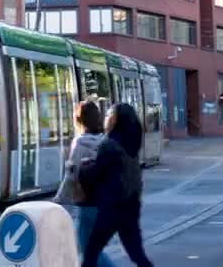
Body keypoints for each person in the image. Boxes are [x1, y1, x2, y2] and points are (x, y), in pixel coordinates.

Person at [79, 103, 153, 267]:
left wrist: (82, 169)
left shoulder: (109, 144)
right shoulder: (132, 142)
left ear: (116, 120)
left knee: (91, 252)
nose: (105, 119)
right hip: (131, 206)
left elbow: (95, 175)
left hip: (112, 207)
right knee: (137, 254)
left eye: (109, 115)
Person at [53, 101, 115, 267]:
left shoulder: (80, 143)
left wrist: (58, 199)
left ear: (79, 120)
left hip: (86, 203)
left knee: (88, 250)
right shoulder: (106, 141)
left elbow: (71, 175)